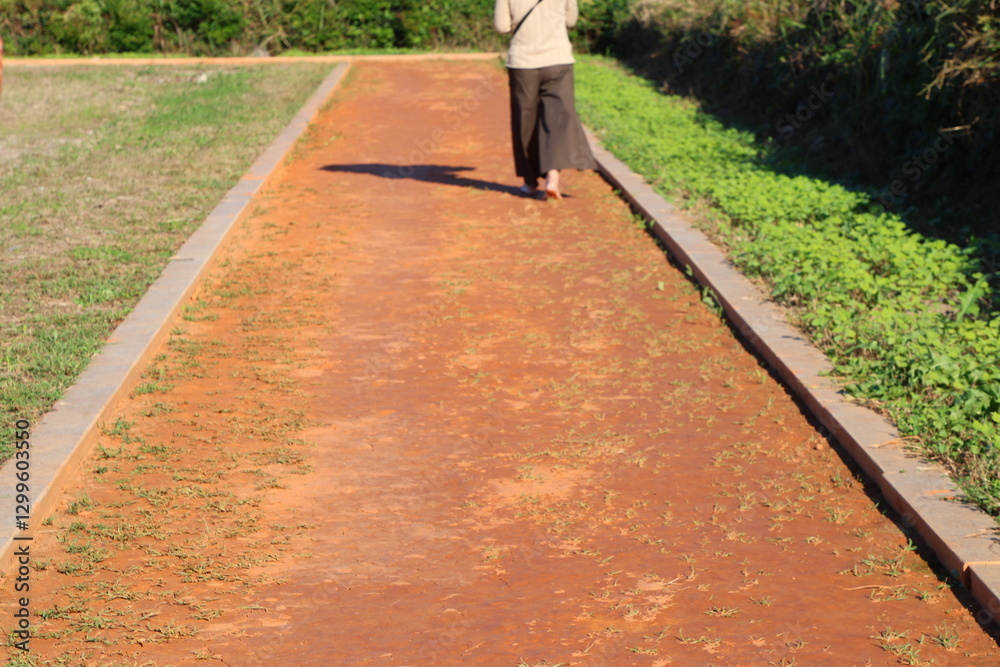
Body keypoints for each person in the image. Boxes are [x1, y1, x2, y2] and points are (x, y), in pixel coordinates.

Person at [494, 0, 597, 200]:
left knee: (525, 122)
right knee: (558, 118)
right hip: (558, 60)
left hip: (523, 63)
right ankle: (553, 175)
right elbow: (571, 21)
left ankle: (530, 183)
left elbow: (501, 26)